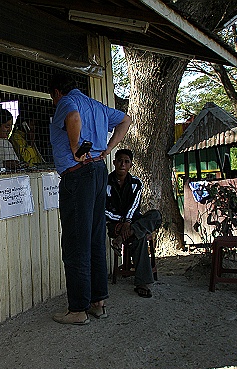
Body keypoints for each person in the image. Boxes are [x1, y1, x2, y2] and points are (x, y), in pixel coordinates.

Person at [48, 72, 131, 325]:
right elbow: (126, 120)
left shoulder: (66, 103)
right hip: (97, 171)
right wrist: (109, 148)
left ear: (57, 93)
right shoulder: (96, 105)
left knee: (75, 241)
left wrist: (75, 148)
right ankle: (98, 302)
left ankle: (77, 309)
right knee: (95, 238)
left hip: (78, 176)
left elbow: (72, 117)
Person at [106, 148, 162, 298]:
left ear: (130, 165)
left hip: (132, 222)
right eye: (119, 161)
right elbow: (103, 209)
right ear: (114, 163)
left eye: (126, 162)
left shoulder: (136, 183)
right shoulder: (105, 183)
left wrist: (128, 223)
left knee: (155, 215)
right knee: (140, 235)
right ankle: (142, 283)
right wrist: (122, 222)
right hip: (114, 224)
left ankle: (121, 239)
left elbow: (134, 206)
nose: (122, 164)